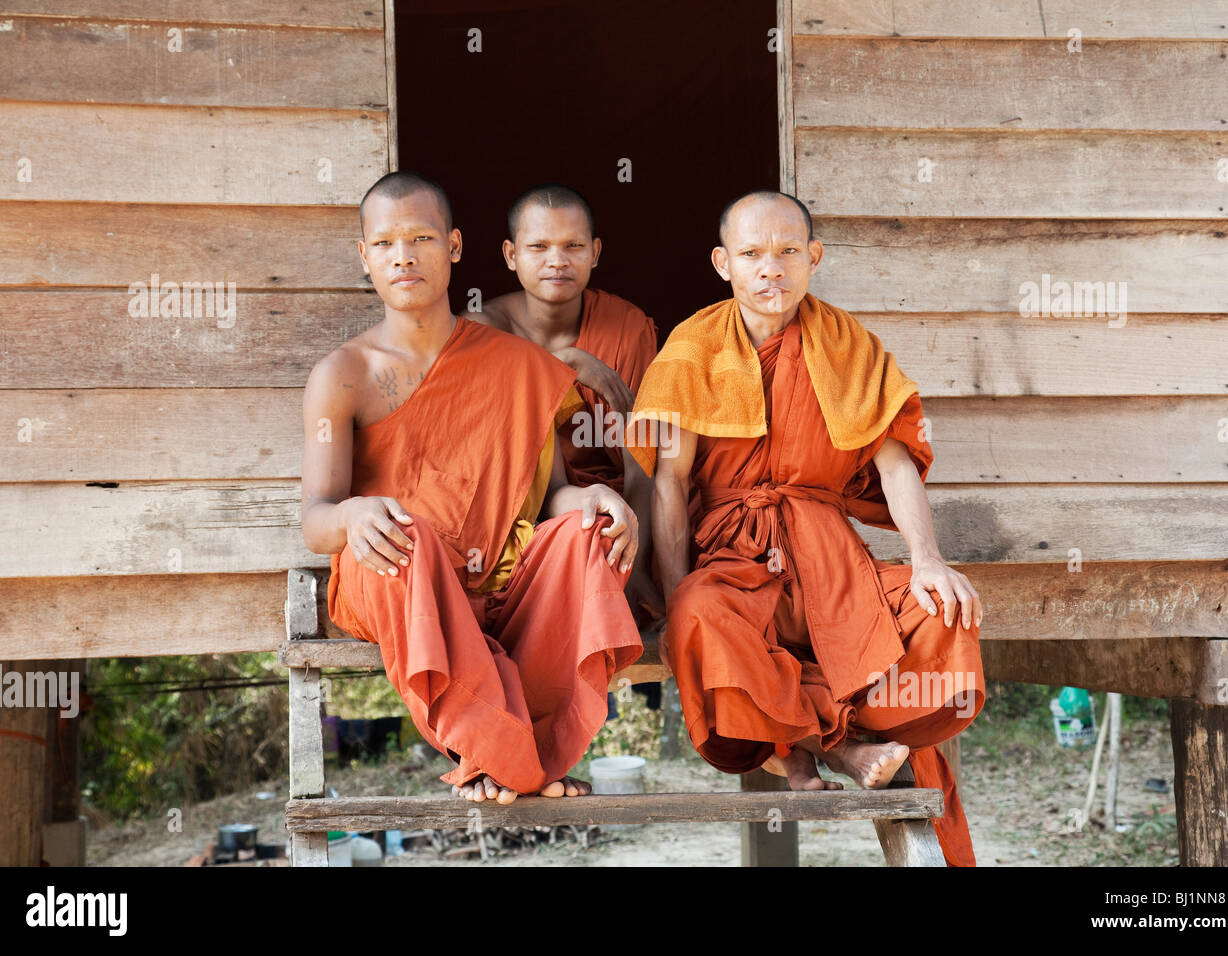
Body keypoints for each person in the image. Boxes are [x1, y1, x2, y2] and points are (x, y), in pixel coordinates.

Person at [627, 190, 986, 865]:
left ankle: (796, 740)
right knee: (701, 617)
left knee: (943, 614)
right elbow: (670, 486)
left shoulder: (848, 344)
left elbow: (895, 464)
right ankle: (839, 745)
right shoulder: (692, 347)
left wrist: (929, 560)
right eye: (752, 254)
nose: (772, 269)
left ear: (813, 257)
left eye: (789, 252)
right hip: (732, 559)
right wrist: (675, 591)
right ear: (722, 263)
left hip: (830, 561)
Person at [301, 171, 643, 805]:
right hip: (399, 577)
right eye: (385, 244)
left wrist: (597, 501)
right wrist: (354, 515)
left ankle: (508, 755)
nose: (403, 256)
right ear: (365, 257)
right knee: (408, 535)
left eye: (422, 238)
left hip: (496, 580)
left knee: (581, 535)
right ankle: (508, 756)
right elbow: (315, 519)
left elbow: (549, 502)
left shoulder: (516, 366)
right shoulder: (343, 374)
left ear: (455, 247)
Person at [475, 184, 664, 624]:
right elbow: (494, 447)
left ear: (595, 252)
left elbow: (644, 460)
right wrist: (566, 364)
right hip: (524, 510)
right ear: (510, 254)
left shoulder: (627, 325)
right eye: (538, 246)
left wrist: (633, 568)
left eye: (573, 246)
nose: (557, 260)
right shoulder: (483, 327)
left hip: (617, 509)